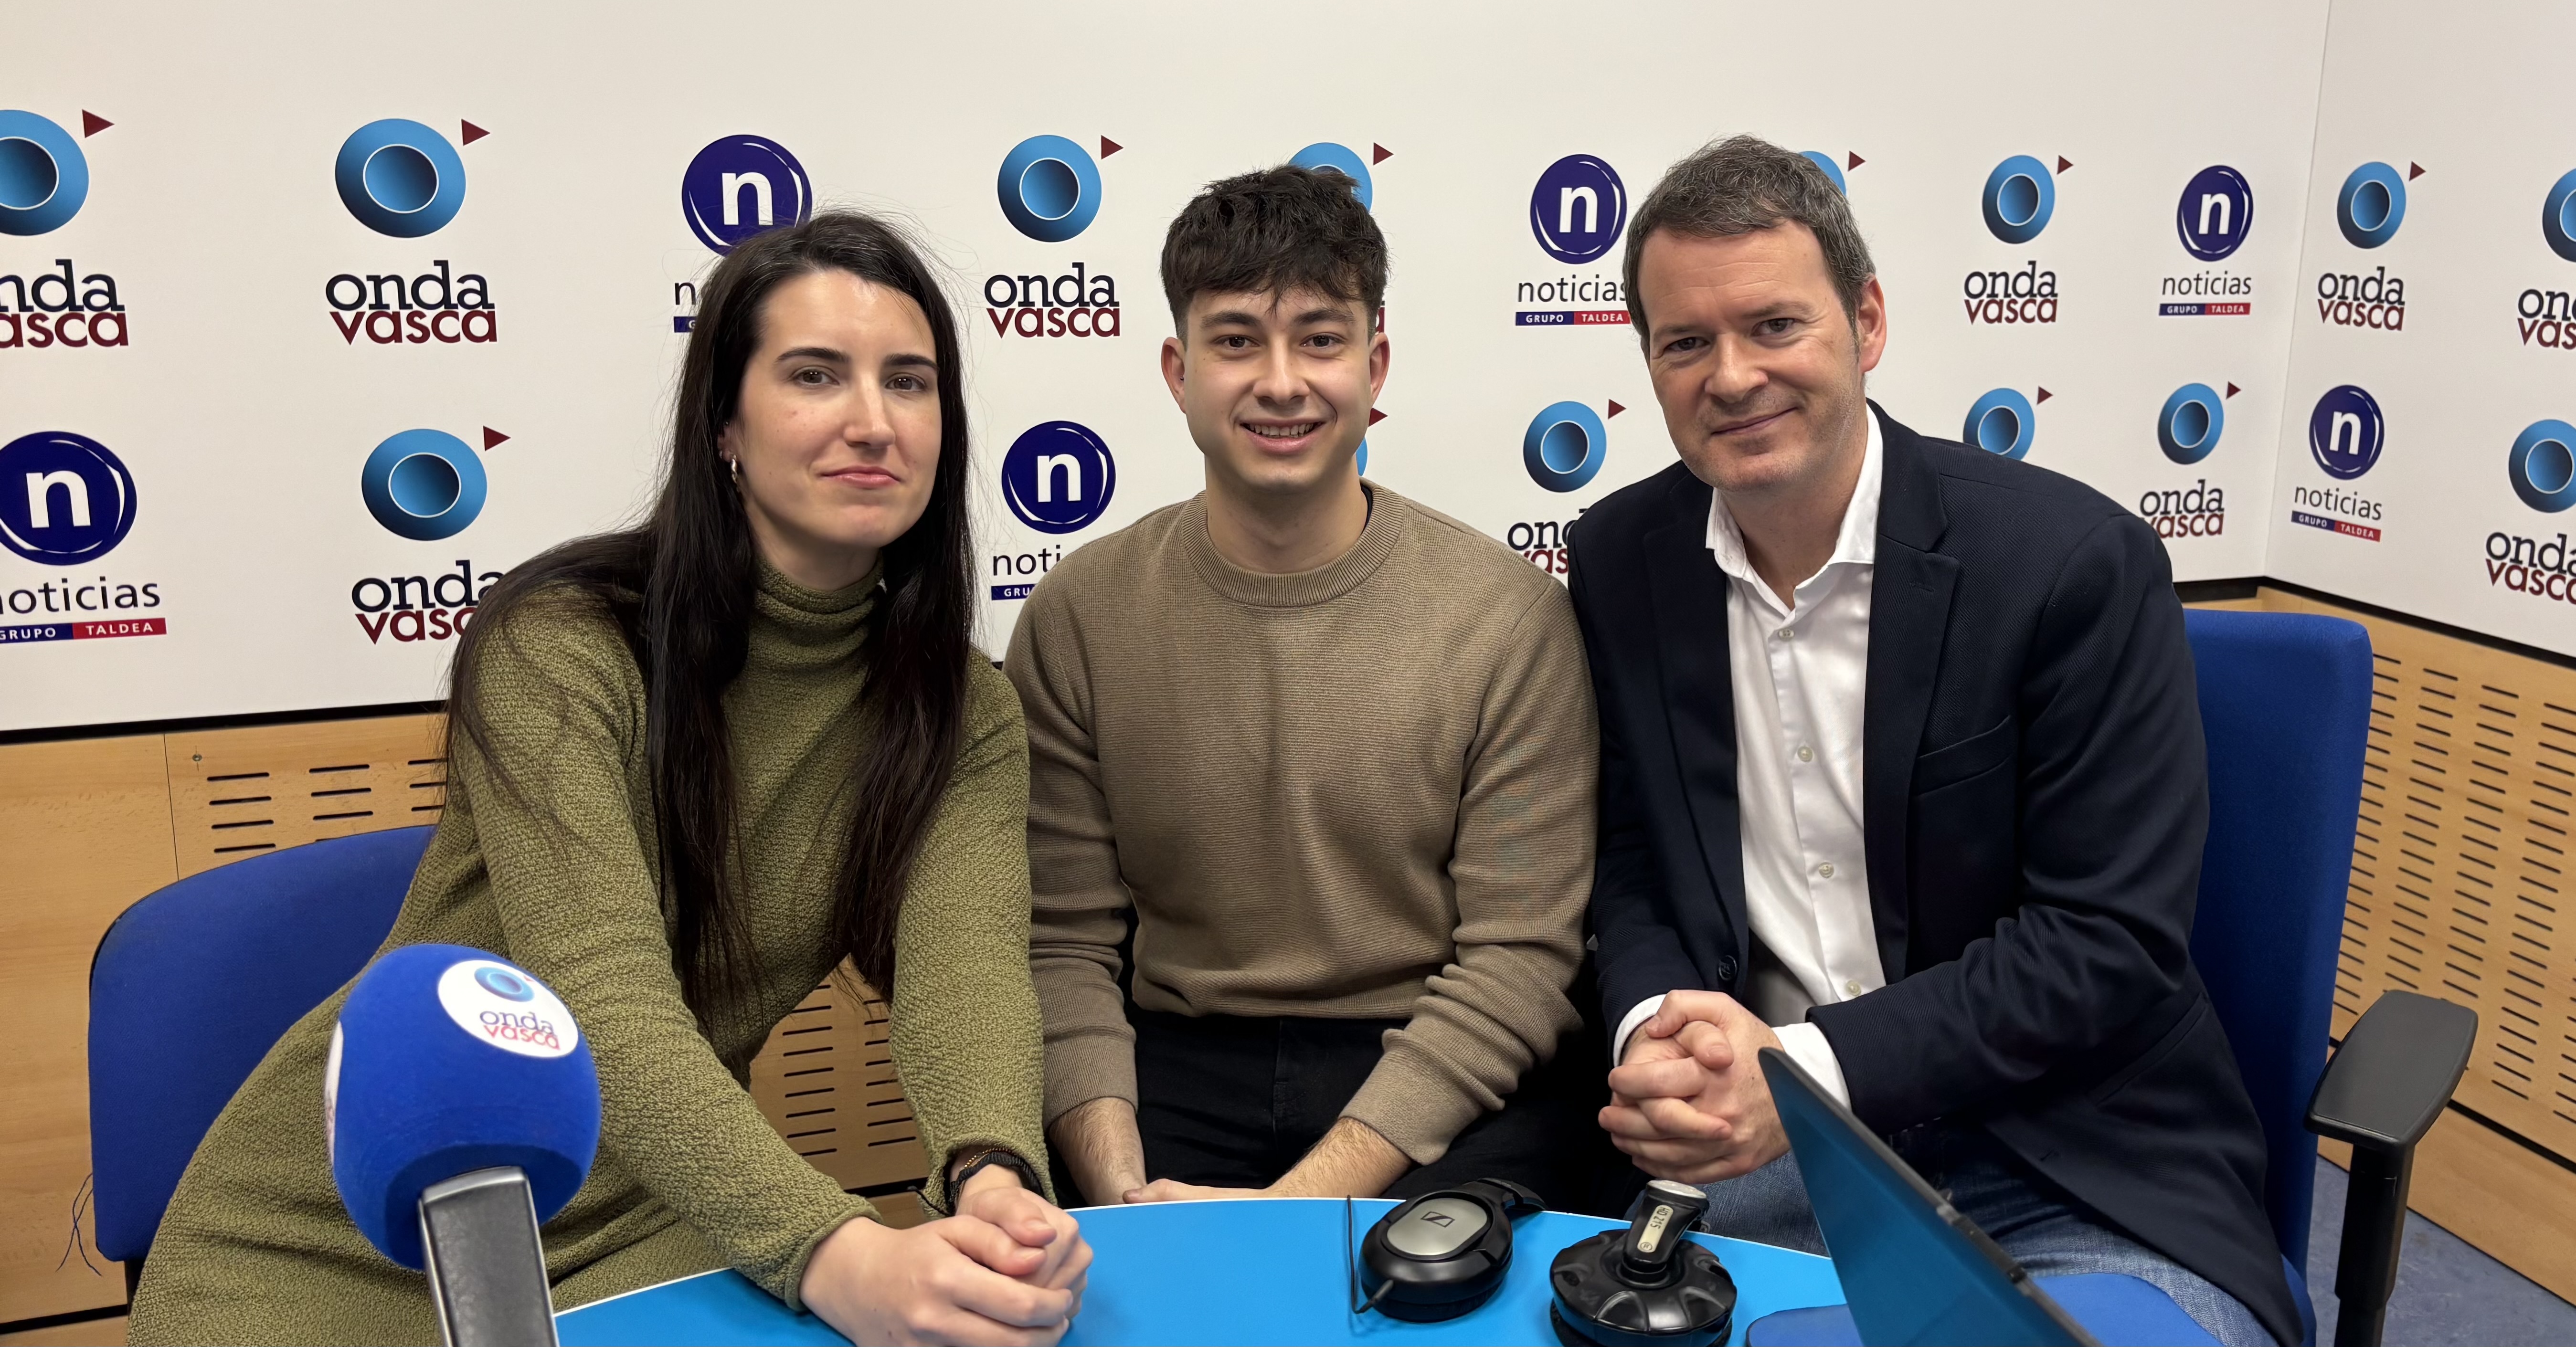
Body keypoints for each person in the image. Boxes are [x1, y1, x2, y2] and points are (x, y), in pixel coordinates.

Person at [131, 213, 1090, 1347]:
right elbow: (602, 995)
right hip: (356, 1232)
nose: (872, 421)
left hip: (659, 1213)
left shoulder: (959, 707)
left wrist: (991, 1174)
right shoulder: (562, 642)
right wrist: (832, 1248)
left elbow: (964, 975)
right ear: (726, 424)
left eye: (911, 382)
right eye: (815, 375)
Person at [1566, 137, 2296, 1347]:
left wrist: (1806, 1067)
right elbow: (1638, 853)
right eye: (1684, 342)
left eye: (1775, 326)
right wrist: (1655, 1027)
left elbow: (2105, 941)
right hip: (1772, 1163)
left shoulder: (2066, 565)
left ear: (1867, 321)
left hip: (2073, 1159)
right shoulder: (1621, 560)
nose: (1732, 375)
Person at [1010, 164, 1624, 1211]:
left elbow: (1516, 963)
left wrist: (1297, 1211)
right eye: (1238, 339)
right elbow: (1062, 945)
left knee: (1454, 1274)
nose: (1282, 380)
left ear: (1375, 363)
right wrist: (1124, 1197)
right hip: (1172, 1058)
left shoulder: (1507, 616)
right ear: (1178, 368)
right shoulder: (1078, 614)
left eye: (1322, 339)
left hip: (1438, 1062)